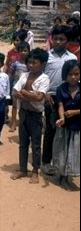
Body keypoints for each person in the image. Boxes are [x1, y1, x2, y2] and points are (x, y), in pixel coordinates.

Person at [42, 25, 77, 175]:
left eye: (61, 39)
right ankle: (46, 161)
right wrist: (44, 93)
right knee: (51, 129)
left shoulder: (72, 58)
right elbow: (40, 77)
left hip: (68, 96)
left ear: (67, 41)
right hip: (51, 97)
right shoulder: (46, 56)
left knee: (67, 130)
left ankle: (64, 161)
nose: (57, 41)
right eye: (55, 38)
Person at [10, 48, 50, 183]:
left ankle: (35, 171)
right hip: (24, 113)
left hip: (36, 115)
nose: (31, 65)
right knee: (23, 143)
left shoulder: (44, 78)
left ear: (43, 64)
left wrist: (25, 93)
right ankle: (22, 169)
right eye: (30, 62)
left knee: (36, 144)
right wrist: (30, 95)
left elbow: (39, 98)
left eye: (35, 63)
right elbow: (15, 92)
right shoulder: (24, 75)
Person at [52, 60, 80, 190]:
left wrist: (75, 112)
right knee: (62, 151)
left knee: (74, 152)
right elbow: (60, 105)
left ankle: (68, 177)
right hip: (64, 126)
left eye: (76, 74)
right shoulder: (60, 89)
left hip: (77, 127)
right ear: (65, 75)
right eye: (70, 74)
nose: (73, 77)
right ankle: (61, 176)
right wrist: (62, 118)